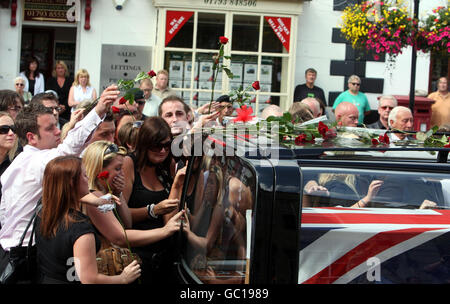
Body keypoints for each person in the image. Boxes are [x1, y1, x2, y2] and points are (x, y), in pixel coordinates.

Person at [0, 85, 118, 270]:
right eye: (50, 128)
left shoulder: (18, 163)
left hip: (11, 251)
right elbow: (69, 148)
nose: (58, 131)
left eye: (56, 125)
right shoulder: (39, 161)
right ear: (31, 137)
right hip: (25, 254)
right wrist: (99, 109)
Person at [36, 155, 141, 284]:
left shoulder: (43, 211)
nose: (88, 179)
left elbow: (64, 194)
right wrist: (122, 278)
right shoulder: (80, 230)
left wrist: (98, 201)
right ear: (71, 182)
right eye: (85, 176)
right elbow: (89, 279)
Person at [122, 117, 187, 283]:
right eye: (157, 145)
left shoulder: (167, 165)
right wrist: (153, 210)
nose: (163, 151)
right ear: (144, 144)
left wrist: (177, 187)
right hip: (138, 256)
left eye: (167, 145)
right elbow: (121, 217)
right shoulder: (128, 164)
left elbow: (171, 215)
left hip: (166, 255)